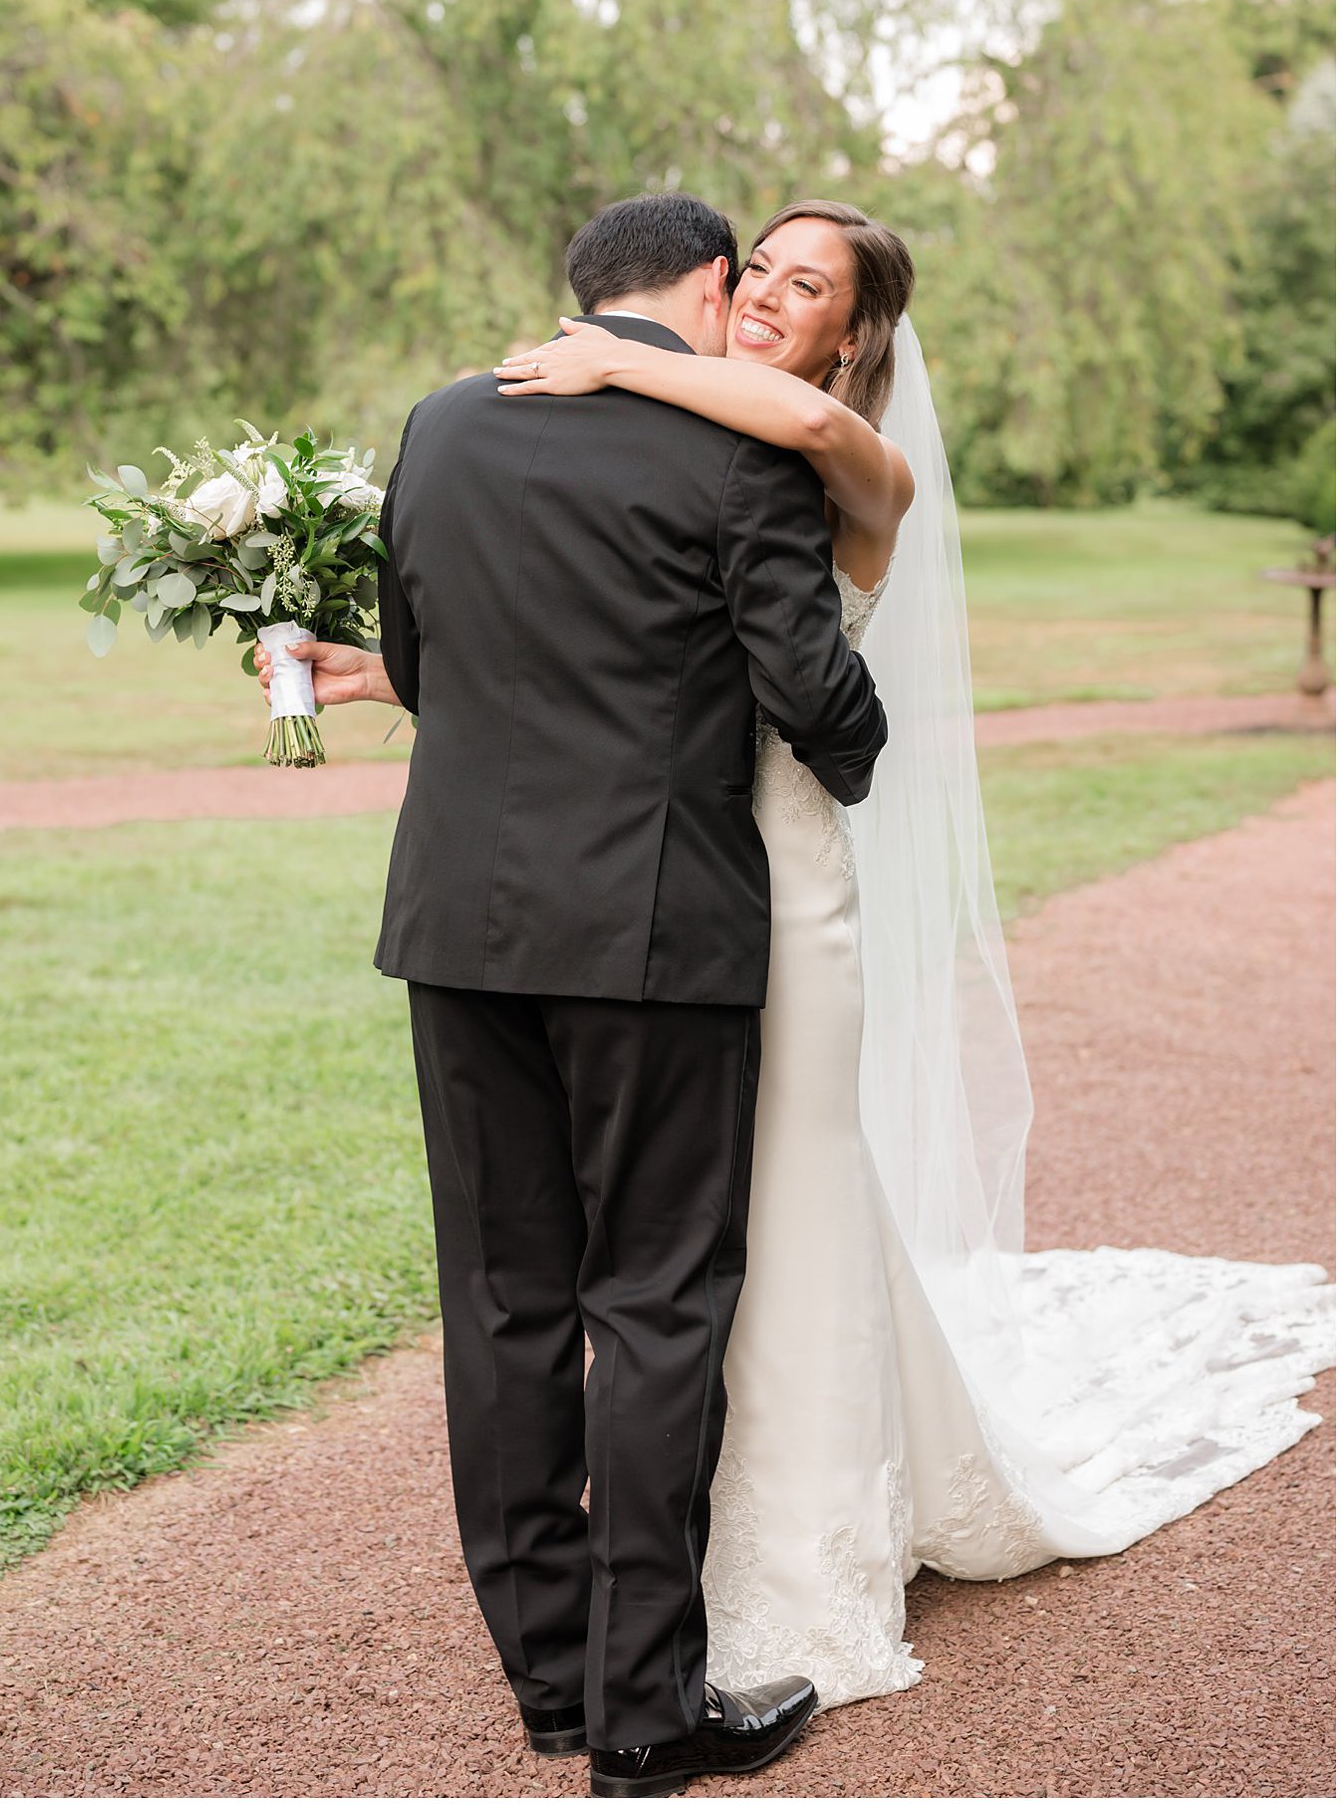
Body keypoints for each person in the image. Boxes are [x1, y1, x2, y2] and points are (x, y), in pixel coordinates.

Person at [490, 197, 1336, 1714]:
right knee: (694, 1208)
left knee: (792, 1187)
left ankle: (801, 1543)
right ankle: (665, 1527)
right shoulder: (715, 438)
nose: (761, 297)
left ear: (854, 334)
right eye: (754, 270)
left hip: (788, 869)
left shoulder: (852, 461)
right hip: (662, 866)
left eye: (803, 285)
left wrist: (608, 358)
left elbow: (769, 422)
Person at [263, 192, 888, 1798]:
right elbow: (813, 697)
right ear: (700, 287)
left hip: (460, 928)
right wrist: (859, 745)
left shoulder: (442, 422)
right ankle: (647, 1716)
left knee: (503, 1304)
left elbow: (427, 648)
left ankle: (548, 1681)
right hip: (656, 937)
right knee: (659, 1308)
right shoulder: (740, 455)